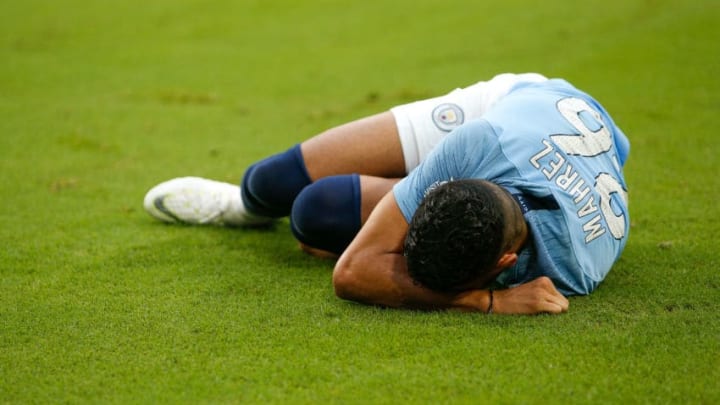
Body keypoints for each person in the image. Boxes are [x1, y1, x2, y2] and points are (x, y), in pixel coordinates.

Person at [144, 73, 630, 315]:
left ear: (507, 261)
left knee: (316, 211)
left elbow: (359, 267)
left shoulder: (564, 269)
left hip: (556, 153)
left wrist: (476, 297)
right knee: (268, 182)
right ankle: (242, 208)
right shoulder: (473, 144)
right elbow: (353, 272)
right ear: (448, 181)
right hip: (525, 106)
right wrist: (487, 302)